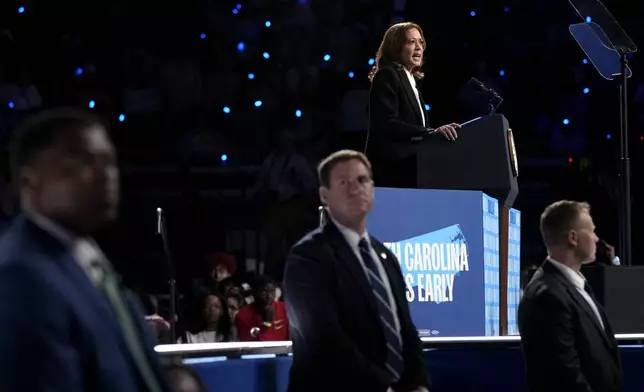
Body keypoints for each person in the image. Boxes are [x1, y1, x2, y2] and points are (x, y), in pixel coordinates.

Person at [0, 108, 170, 392]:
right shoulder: (22, 278)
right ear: (30, 182)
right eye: (83, 161)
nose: (105, 174)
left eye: (109, 161)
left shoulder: (87, 261)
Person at [284, 150, 429, 392]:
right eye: (344, 182)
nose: (355, 188)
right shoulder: (308, 257)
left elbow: (406, 329)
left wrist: (419, 384)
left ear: (372, 188)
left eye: (362, 180)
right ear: (324, 195)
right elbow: (324, 338)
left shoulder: (385, 257)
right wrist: (383, 388)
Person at [519, 200, 622, 392]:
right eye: (591, 231)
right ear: (573, 238)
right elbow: (565, 377)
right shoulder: (547, 296)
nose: (596, 239)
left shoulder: (576, 286)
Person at [367, 22, 460, 188]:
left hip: (414, 171)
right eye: (411, 42)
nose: (418, 47)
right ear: (395, 47)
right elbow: (387, 123)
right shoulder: (387, 75)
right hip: (392, 174)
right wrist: (429, 133)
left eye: (420, 42)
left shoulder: (412, 81)